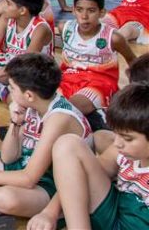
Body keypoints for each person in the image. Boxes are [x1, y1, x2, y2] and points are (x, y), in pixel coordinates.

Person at [0, 53, 92, 229]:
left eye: (12, 88)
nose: (9, 92)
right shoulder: (35, 103)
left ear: (28, 95)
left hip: (55, 187)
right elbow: (8, 158)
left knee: (0, 197)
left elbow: (28, 178)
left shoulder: (58, 118)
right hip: (27, 166)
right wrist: (16, 123)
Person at [45, 83, 149, 230]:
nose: (117, 143)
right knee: (68, 144)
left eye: (127, 138)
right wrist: (50, 212)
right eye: (117, 134)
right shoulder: (121, 151)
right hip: (113, 214)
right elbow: (83, 175)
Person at [59, 0, 136, 125]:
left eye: (91, 10)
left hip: (99, 83)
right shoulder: (64, 28)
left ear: (102, 13)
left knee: (67, 108)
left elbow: (133, 62)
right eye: (79, 10)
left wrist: (136, 92)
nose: (84, 16)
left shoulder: (113, 38)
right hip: (66, 79)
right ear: (73, 10)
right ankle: (92, 118)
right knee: (40, 101)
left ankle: (99, 117)